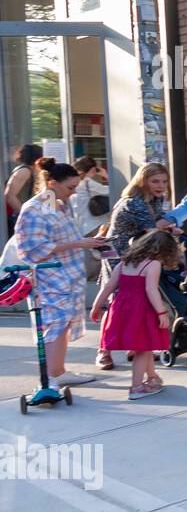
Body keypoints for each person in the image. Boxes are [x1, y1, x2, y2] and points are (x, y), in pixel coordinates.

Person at [11, 159, 112, 388]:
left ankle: (57, 371)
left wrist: (85, 243)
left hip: (66, 275)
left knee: (63, 323)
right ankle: (51, 376)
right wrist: (79, 244)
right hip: (50, 277)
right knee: (55, 323)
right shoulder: (35, 209)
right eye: (70, 187)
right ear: (51, 183)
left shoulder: (57, 204)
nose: (73, 192)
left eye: (76, 187)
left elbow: (60, 240)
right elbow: (31, 250)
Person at [97, 162, 173, 370]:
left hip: (138, 256)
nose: (161, 185)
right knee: (116, 304)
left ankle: (135, 346)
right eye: (155, 181)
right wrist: (166, 228)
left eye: (164, 181)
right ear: (143, 181)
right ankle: (104, 351)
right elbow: (152, 230)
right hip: (120, 257)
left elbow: (157, 225)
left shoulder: (156, 200)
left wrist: (168, 226)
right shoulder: (134, 203)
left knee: (139, 303)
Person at [92, 230, 184, 400]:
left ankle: (152, 378)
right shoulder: (153, 264)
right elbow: (151, 290)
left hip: (121, 308)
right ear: (163, 250)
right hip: (141, 310)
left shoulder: (124, 262)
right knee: (142, 349)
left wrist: (96, 306)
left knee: (145, 346)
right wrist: (161, 312)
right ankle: (137, 387)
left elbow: (109, 287)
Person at [4, 143, 42, 239]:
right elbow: (9, 195)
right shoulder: (24, 171)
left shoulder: (28, 170)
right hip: (21, 218)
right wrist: (25, 214)